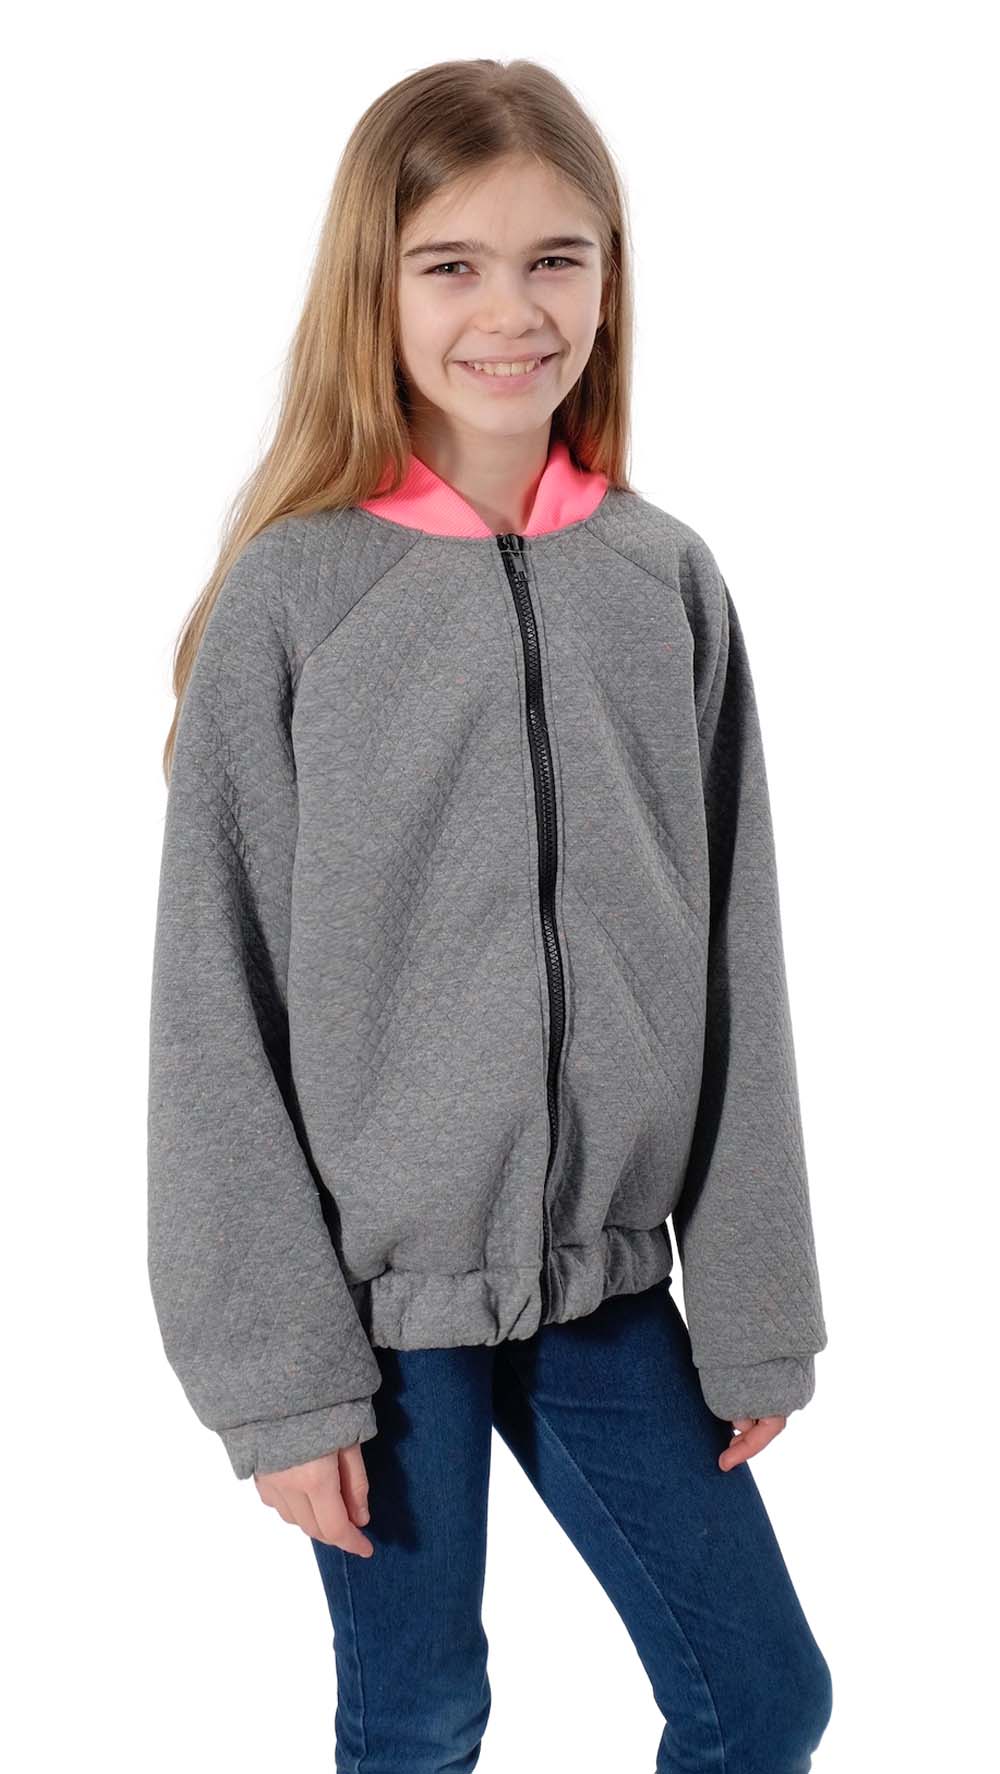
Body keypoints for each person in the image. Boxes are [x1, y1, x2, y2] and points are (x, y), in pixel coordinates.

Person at [147, 56, 833, 1774]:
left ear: (610, 279)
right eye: (452, 264)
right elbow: (212, 1011)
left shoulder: (663, 580)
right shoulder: (298, 599)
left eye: (555, 260)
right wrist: (280, 1380)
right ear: (372, 287)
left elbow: (738, 956)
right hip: (382, 1322)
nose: (511, 311)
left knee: (762, 1696)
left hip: (606, 1283)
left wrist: (757, 1296)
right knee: (421, 1715)